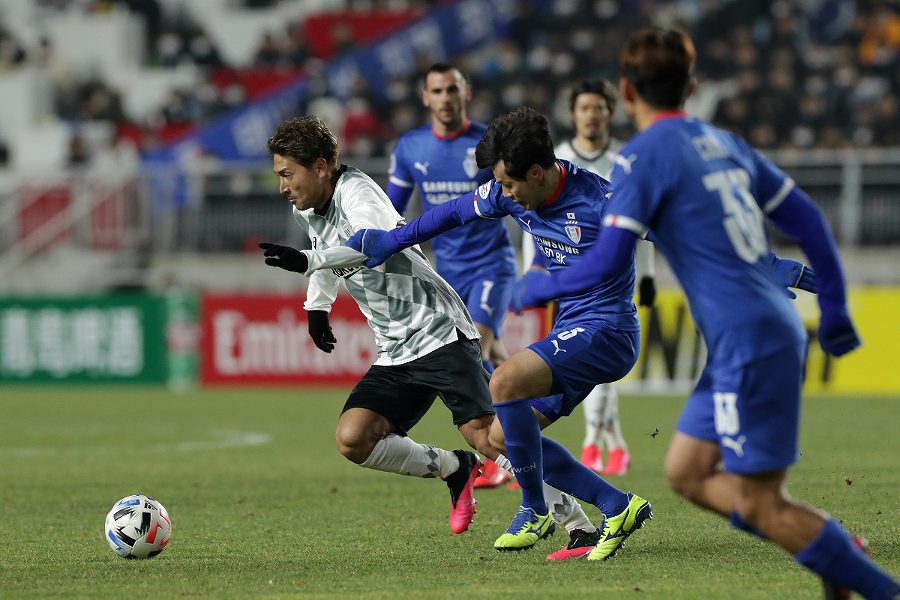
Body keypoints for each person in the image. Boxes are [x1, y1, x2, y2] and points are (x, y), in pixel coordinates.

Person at [513, 27, 899, 598]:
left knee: (761, 502)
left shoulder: (641, 160)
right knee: (686, 474)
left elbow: (606, 263)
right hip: (759, 329)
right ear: (691, 87)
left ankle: (860, 574)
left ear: (626, 90)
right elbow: (809, 220)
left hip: (749, 335)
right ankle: (829, 551)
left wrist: (529, 291)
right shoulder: (723, 143)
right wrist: (835, 305)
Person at [258, 115, 596, 547]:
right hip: (395, 346)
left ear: (321, 167)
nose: (283, 186)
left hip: (436, 328)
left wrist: (307, 261)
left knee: (490, 437)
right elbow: (326, 250)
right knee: (354, 438)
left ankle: (578, 524)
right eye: (279, 176)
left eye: (288, 174)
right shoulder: (306, 208)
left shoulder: (359, 194)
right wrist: (317, 306)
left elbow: (367, 247)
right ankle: (455, 468)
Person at [346, 107, 654, 561]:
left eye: (509, 184)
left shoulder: (602, 201)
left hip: (608, 331)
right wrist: (393, 240)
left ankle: (534, 507)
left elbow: (686, 238)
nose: (503, 194)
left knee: (503, 381)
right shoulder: (513, 191)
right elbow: (452, 213)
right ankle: (617, 505)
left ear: (537, 172)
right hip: (571, 329)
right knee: (500, 436)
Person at [387, 63, 516, 488]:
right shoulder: (410, 147)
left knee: (476, 350)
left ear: (466, 93)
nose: (445, 97)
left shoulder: (487, 143)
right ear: (425, 98)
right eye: (437, 90)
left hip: (491, 265)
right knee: (495, 363)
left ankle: (506, 455)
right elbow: (392, 209)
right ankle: (526, 416)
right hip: (446, 274)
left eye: (452, 89)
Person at [551, 78, 656, 475]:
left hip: (615, 278)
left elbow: (643, 224)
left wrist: (647, 276)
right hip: (567, 277)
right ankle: (616, 444)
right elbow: (533, 220)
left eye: (599, 108)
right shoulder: (556, 158)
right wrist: (535, 270)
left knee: (601, 358)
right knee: (585, 364)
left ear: (610, 113)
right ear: (574, 114)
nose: (592, 115)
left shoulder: (625, 160)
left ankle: (592, 442)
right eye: (584, 108)